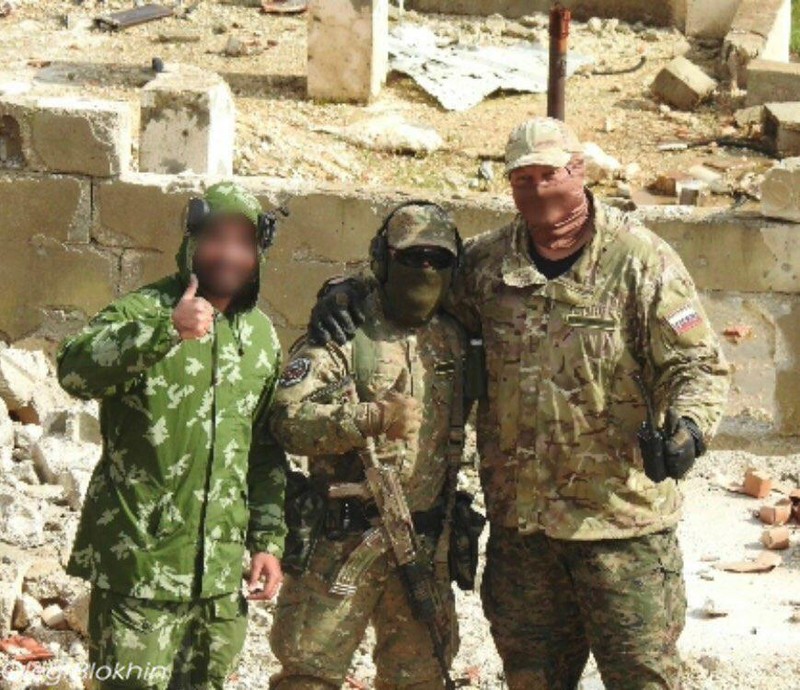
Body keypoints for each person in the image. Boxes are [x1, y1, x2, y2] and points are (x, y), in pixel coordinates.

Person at [305, 118, 731, 690]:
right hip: (523, 532)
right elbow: (414, 282)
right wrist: (348, 288)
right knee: (531, 679)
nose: (537, 190)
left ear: (579, 171)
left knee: (643, 676)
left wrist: (689, 432)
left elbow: (696, 364)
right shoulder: (488, 263)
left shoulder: (641, 261)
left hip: (620, 527)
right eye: (522, 179)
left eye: (549, 174)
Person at [56, 182, 287, 690]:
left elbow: (264, 450)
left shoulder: (261, 337)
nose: (229, 254)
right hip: (139, 573)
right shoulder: (145, 310)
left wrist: (267, 542)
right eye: (216, 238)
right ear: (192, 241)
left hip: (218, 586)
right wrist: (166, 330)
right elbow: (73, 371)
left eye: (243, 243)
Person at [268, 202, 480, 690]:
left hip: (421, 548)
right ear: (384, 260)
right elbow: (287, 421)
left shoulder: (455, 337)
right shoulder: (345, 333)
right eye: (411, 258)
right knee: (308, 675)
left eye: (437, 260)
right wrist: (366, 419)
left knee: (421, 680)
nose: (425, 269)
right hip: (341, 546)